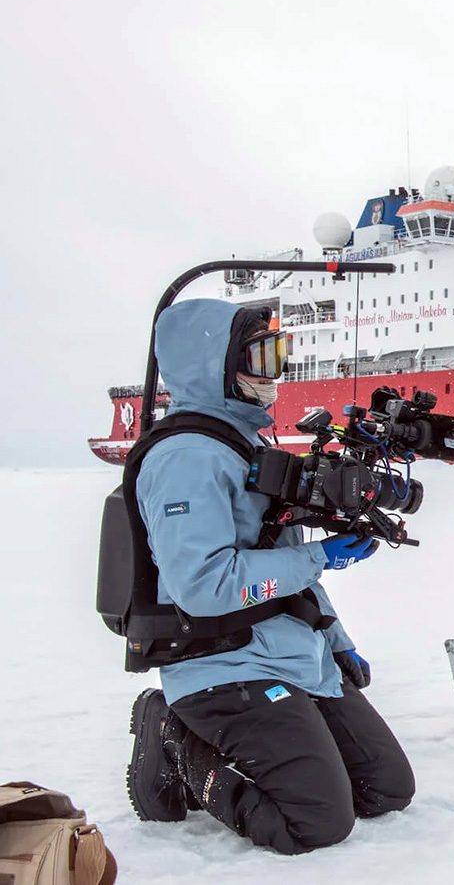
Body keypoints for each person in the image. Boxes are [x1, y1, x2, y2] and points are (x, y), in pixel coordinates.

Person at [125, 299, 414, 854]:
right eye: (259, 357)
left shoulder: (247, 444)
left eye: (278, 355)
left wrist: (336, 641)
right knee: (316, 821)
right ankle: (174, 738)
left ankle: (292, 712)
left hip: (290, 654)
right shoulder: (188, 457)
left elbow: (281, 558)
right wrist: (322, 557)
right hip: (221, 664)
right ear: (213, 363)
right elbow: (204, 587)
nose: (272, 374)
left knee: (385, 790)